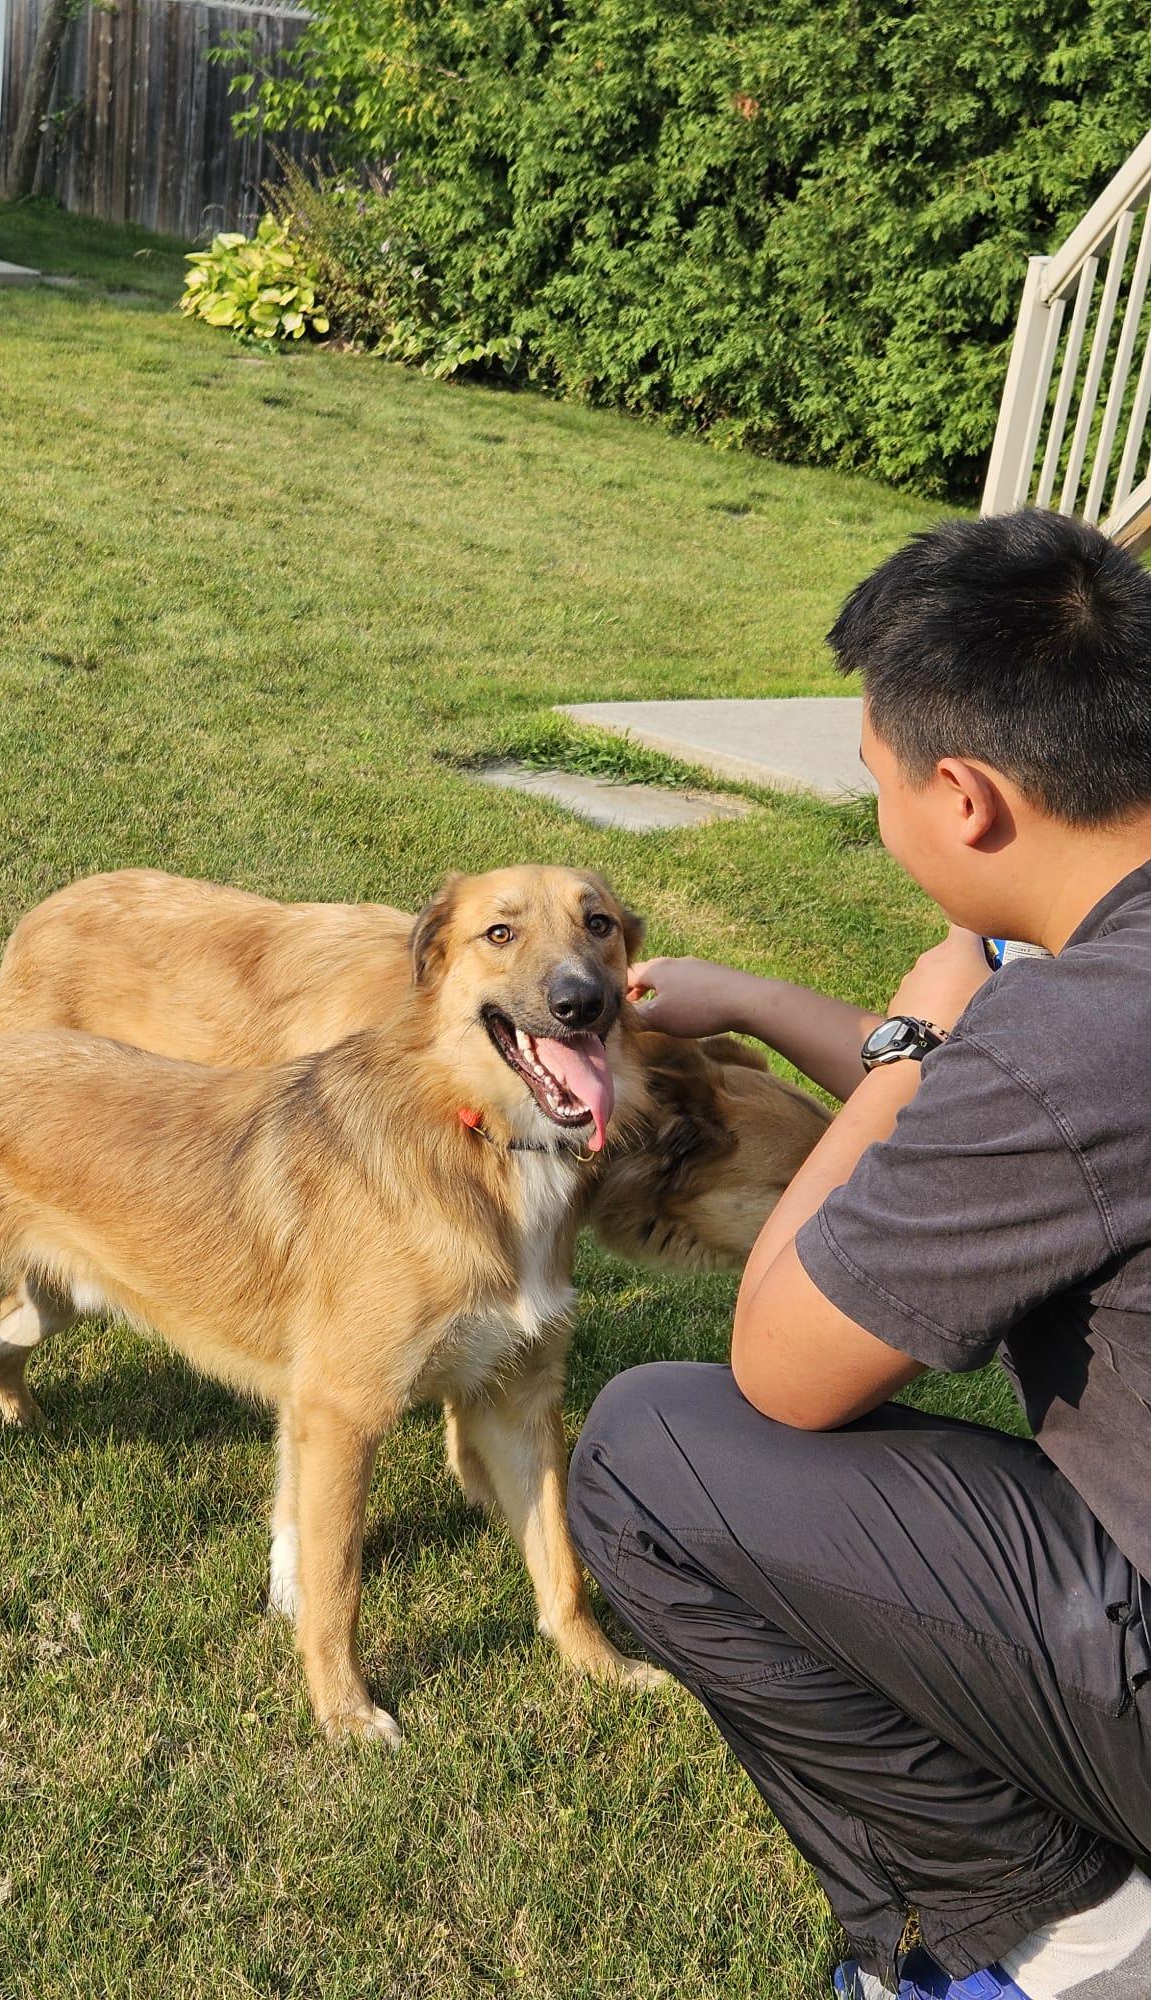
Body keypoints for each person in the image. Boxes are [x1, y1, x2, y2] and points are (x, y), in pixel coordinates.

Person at [565, 509, 1151, 2000]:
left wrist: (904, 1039)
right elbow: (999, 1087)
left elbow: (786, 1362)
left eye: (878, 784)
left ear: (965, 800)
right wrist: (768, 1005)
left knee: (649, 1452)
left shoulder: (1070, 1039)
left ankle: (1050, 1923)